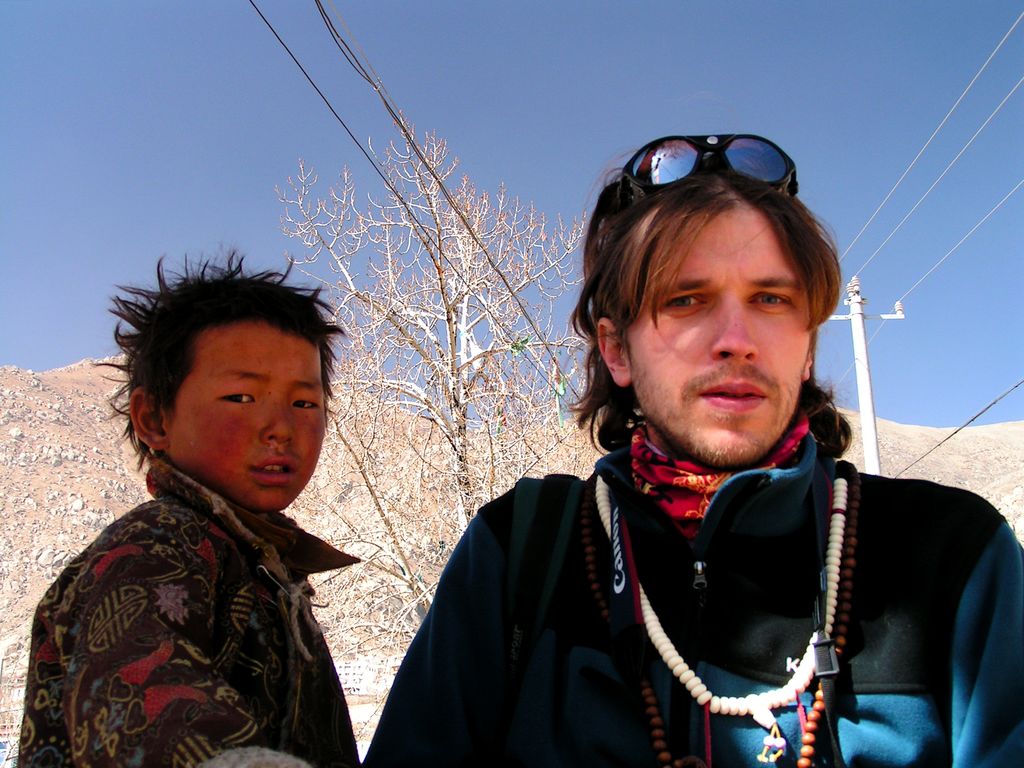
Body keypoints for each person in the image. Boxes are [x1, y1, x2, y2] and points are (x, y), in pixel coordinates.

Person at [363, 135, 1024, 767]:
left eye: (771, 299)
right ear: (617, 349)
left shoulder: (953, 557)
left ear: (808, 346)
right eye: (687, 300)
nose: (736, 338)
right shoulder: (519, 552)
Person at [19, 256, 361, 768]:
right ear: (154, 418)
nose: (281, 428)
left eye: (305, 404)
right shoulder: (154, 547)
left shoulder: (264, 564)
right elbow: (140, 694)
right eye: (241, 396)